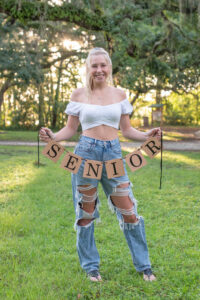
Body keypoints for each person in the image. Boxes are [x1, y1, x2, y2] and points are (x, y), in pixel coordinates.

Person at [40, 47, 161, 282]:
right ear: (88, 68)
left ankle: (144, 265)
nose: (99, 70)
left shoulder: (120, 94)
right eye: (94, 66)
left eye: (103, 65)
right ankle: (91, 267)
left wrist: (147, 134)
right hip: (85, 154)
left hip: (114, 154)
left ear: (109, 68)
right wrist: (52, 137)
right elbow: (70, 129)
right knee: (86, 211)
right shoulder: (78, 95)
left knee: (129, 210)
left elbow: (126, 130)